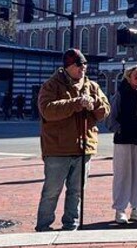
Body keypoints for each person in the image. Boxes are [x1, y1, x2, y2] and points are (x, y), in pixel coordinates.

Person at [35, 48, 110, 232]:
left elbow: (105, 110)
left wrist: (94, 103)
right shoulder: (51, 85)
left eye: (84, 65)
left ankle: (71, 225)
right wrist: (76, 103)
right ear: (67, 67)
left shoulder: (91, 86)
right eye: (78, 65)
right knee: (51, 191)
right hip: (58, 149)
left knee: (76, 192)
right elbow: (47, 110)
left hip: (84, 147)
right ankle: (43, 226)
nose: (82, 69)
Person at [110, 65, 137, 224]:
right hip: (123, 141)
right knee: (122, 175)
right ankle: (120, 209)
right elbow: (111, 117)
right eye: (136, 76)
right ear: (128, 77)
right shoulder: (120, 94)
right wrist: (120, 130)